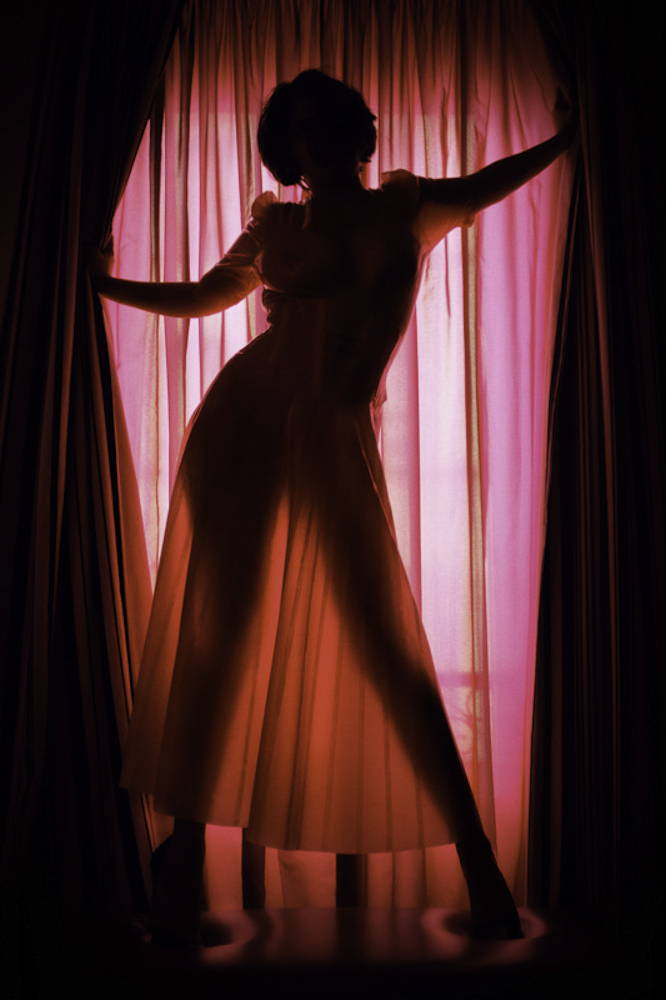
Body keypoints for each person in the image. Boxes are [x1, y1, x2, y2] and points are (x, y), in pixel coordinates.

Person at [90, 70, 577, 947]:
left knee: (387, 645)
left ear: (357, 132)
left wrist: (570, 138)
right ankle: (181, 868)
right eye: (298, 132)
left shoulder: (410, 209)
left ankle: (479, 864)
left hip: (334, 434)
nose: (314, 142)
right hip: (243, 425)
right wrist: (103, 287)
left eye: (327, 124)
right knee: (219, 636)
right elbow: (203, 297)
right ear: (288, 151)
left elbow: (496, 179)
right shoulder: (279, 227)